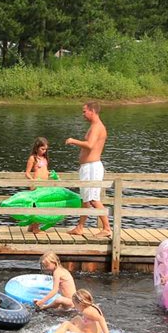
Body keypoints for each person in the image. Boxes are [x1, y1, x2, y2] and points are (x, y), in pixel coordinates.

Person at [65, 102, 111, 238]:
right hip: (87, 167)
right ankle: (80, 227)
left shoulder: (97, 127)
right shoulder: (93, 126)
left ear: (92, 111)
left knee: (94, 199)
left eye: (84, 111)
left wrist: (73, 141)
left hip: (92, 167)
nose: (83, 114)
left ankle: (107, 228)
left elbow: (90, 145)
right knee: (85, 200)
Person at [27, 289, 109, 333]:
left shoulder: (86, 311)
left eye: (74, 304)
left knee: (66, 324)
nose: (74, 306)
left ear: (79, 303)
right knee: (77, 318)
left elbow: (101, 319)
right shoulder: (92, 306)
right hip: (92, 332)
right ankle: (62, 331)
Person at [23, 137, 52, 233]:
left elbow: (45, 171)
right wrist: (33, 181)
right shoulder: (33, 158)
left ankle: (32, 226)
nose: (44, 151)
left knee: (42, 205)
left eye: (45, 149)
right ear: (36, 148)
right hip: (36, 184)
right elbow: (27, 173)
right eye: (42, 149)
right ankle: (35, 227)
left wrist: (50, 174)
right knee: (36, 206)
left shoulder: (45, 158)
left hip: (44, 185)